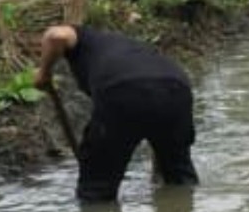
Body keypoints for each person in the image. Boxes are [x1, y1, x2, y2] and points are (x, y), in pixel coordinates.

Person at [33, 24, 200, 202]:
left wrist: (44, 73)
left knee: (96, 189)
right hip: (176, 88)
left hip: (123, 90)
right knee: (179, 176)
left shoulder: (81, 36)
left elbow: (56, 36)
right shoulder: (129, 48)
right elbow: (151, 99)